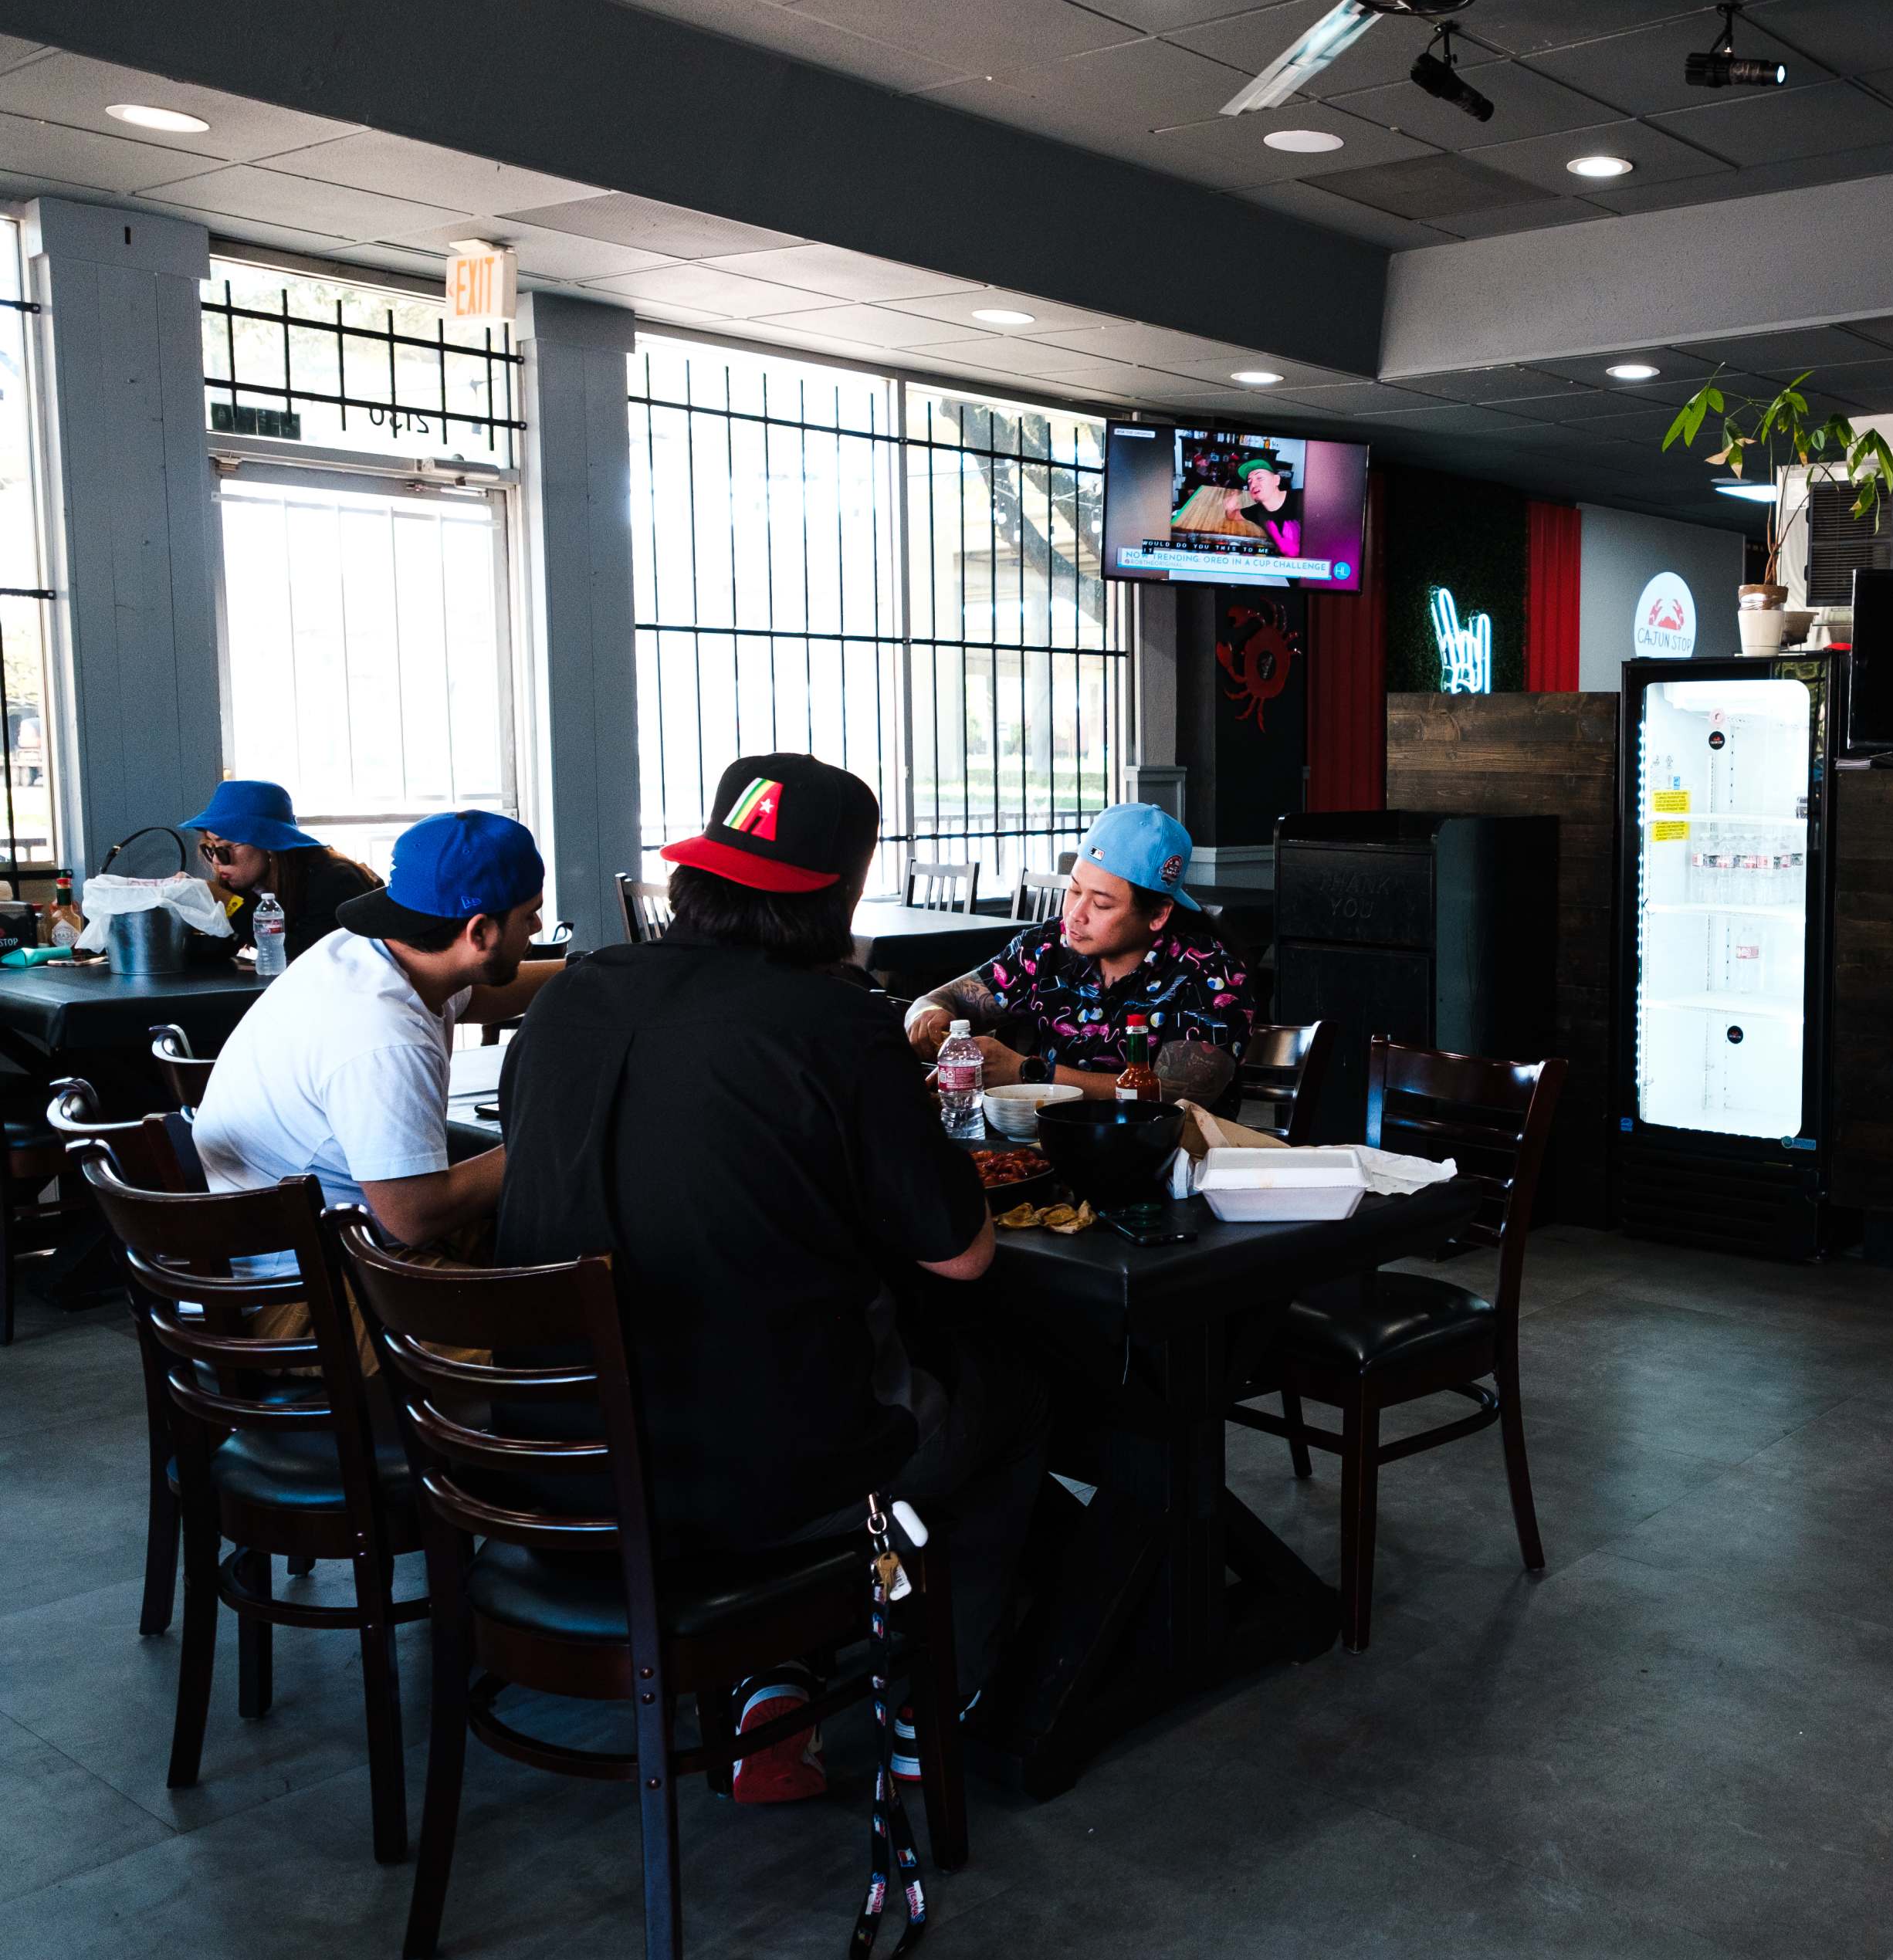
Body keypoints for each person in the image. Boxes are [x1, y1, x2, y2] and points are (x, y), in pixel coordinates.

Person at [495, 754, 1047, 1792]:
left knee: (790, 1373)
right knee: (1002, 1404)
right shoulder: (838, 1028)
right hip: (743, 1490)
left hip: (545, 1470)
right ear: (839, 899)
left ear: (694, 879)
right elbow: (960, 1252)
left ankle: (775, 1680)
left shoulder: (572, 1000)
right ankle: (931, 1714)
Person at [194, 808, 557, 1257]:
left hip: (323, 1235)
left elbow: (478, 997)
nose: (538, 928)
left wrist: (587, 972)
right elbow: (415, 1217)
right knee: (577, 1300)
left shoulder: (365, 951)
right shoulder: (384, 1036)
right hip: (311, 1282)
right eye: (530, 916)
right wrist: (555, 1134)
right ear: (479, 931)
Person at [904, 802, 1256, 1089]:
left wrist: (1031, 1073)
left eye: (1101, 904)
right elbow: (940, 998)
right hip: (1047, 1146)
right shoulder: (1045, 949)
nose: (1075, 915)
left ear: (1158, 914)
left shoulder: (1209, 973)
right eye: (1073, 890)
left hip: (1166, 1160)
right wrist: (926, 1015)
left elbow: (1175, 1092)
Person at [184, 780, 382, 961]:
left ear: (268, 844)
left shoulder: (334, 880)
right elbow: (216, 952)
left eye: (225, 849)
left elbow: (306, 955)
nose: (217, 860)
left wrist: (231, 905)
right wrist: (190, 906)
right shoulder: (253, 882)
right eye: (210, 849)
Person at [1234, 455, 1301, 559]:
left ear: (1276, 480)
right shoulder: (1257, 511)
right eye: (1250, 481)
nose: (1253, 485)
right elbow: (1234, 515)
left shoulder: (1303, 499)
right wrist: (1230, 506)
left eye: (1259, 478)